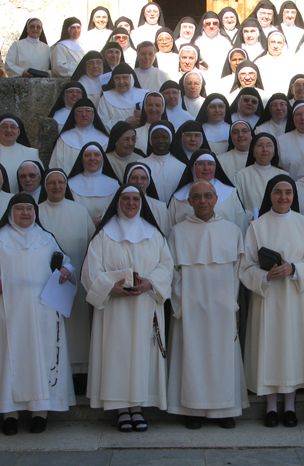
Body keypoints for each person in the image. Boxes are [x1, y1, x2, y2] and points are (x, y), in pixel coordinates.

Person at [0, 193, 76, 435]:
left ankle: (39, 412)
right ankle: (8, 413)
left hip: (42, 311)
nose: (25, 213)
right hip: (7, 311)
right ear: (11, 213)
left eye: (29, 209)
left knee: (39, 358)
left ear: (35, 212)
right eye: (20, 209)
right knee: (8, 360)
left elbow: (68, 262)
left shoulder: (46, 237)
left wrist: (66, 269)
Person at [82, 184, 173, 432]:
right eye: (126, 199)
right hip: (114, 309)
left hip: (145, 305)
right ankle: (122, 409)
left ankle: (138, 408)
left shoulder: (154, 234)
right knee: (118, 355)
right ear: (118, 202)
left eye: (135, 199)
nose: (131, 203)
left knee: (142, 356)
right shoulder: (103, 235)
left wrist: (150, 283)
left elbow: (166, 267)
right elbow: (90, 271)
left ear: (141, 202)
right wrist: (109, 288)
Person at [239, 175, 304, 427]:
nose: (283, 197)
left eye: (288, 192)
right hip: (267, 299)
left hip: (295, 298)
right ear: (270, 195)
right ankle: (271, 407)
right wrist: (265, 275)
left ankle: (290, 406)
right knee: (270, 348)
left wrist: (294, 269)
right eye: (277, 192)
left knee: (292, 350)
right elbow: (245, 267)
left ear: (293, 196)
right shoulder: (257, 226)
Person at [167, 180, 249, 429]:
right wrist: (182, 305)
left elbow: (238, 271)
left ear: (216, 199)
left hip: (222, 307)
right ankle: (191, 409)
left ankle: (223, 409)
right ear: (189, 202)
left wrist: (229, 303)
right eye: (197, 197)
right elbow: (171, 273)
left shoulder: (232, 231)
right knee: (190, 357)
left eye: (208, 196)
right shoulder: (177, 232)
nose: (203, 201)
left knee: (222, 358)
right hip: (189, 308)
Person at [38, 169, 96, 393]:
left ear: (66, 185)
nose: (56, 186)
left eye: (60, 182)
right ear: (45, 186)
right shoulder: (37, 211)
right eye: (51, 183)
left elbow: (93, 245)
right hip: (46, 282)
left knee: (78, 327)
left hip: (77, 280)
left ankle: (79, 373)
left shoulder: (80, 211)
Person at [168, 150, 247, 234]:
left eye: (210, 163)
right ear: (192, 167)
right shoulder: (178, 198)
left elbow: (241, 226)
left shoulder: (231, 194)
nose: (206, 168)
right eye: (201, 163)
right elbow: (170, 230)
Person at [49, 98, 109, 173]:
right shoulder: (64, 138)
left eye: (88, 111)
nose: (84, 114)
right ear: (74, 115)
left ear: (94, 115)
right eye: (80, 111)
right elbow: (56, 164)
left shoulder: (104, 138)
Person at [66, 142, 120, 225]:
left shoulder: (115, 185)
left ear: (102, 158)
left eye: (96, 155)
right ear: (81, 159)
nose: (92, 158)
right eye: (87, 155)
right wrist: (88, 220)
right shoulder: (70, 184)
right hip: (79, 226)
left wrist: (103, 220)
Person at [0, 114, 39, 187]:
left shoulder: (32, 153)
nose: (9, 130)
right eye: (4, 127)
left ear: (18, 131)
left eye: (13, 127)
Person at [234, 132, 282, 216]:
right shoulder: (241, 176)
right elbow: (238, 206)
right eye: (260, 145)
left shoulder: (283, 175)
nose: (265, 149)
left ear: (274, 151)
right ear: (253, 150)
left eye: (269, 145)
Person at [140, 120, 186, 203]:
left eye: (165, 137)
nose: (160, 141)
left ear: (171, 139)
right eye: (156, 137)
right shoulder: (140, 165)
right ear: (150, 140)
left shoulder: (182, 167)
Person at [124, 162, 171, 236]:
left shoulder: (161, 208)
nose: (139, 182)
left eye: (143, 178)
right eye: (134, 178)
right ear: (127, 180)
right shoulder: (118, 205)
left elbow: (166, 235)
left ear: (148, 181)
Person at [97, 63, 150, 128]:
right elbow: (102, 123)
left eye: (125, 77)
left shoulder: (144, 95)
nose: (121, 82)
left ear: (132, 78)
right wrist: (124, 122)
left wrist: (144, 116)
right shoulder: (106, 97)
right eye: (117, 78)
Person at [193, 11, 233, 77]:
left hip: (222, 77)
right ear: (203, 25)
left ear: (218, 25)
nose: (211, 26)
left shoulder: (226, 42)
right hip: (202, 76)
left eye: (215, 23)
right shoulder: (197, 42)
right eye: (208, 23)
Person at [255, 30, 292, 99]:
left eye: (279, 43)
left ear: (283, 45)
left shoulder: (290, 63)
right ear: (268, 43)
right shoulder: (259, 62)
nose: (275, 46)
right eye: (273, 42)